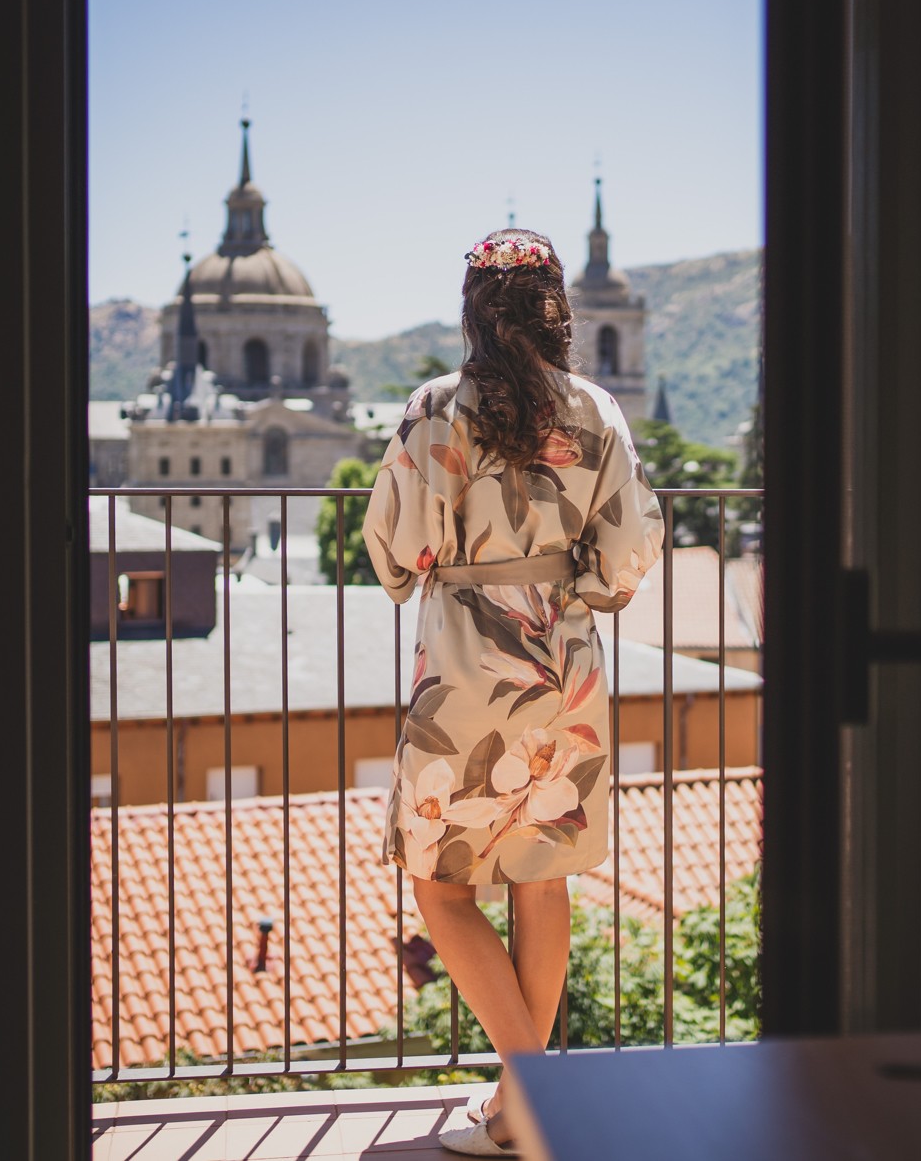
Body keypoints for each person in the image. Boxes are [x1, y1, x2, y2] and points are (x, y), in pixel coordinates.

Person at [363, 229, 664, 1155]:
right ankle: (521, 1109)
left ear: (473, 308)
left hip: (460, 671)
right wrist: (566, 586)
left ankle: (527, 1100)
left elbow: (393, 557)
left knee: (439, 886)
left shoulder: (434, 409)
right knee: (542, 878)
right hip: (565, 672)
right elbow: (623, 567)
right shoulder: (597, 412)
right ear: (555, 307)